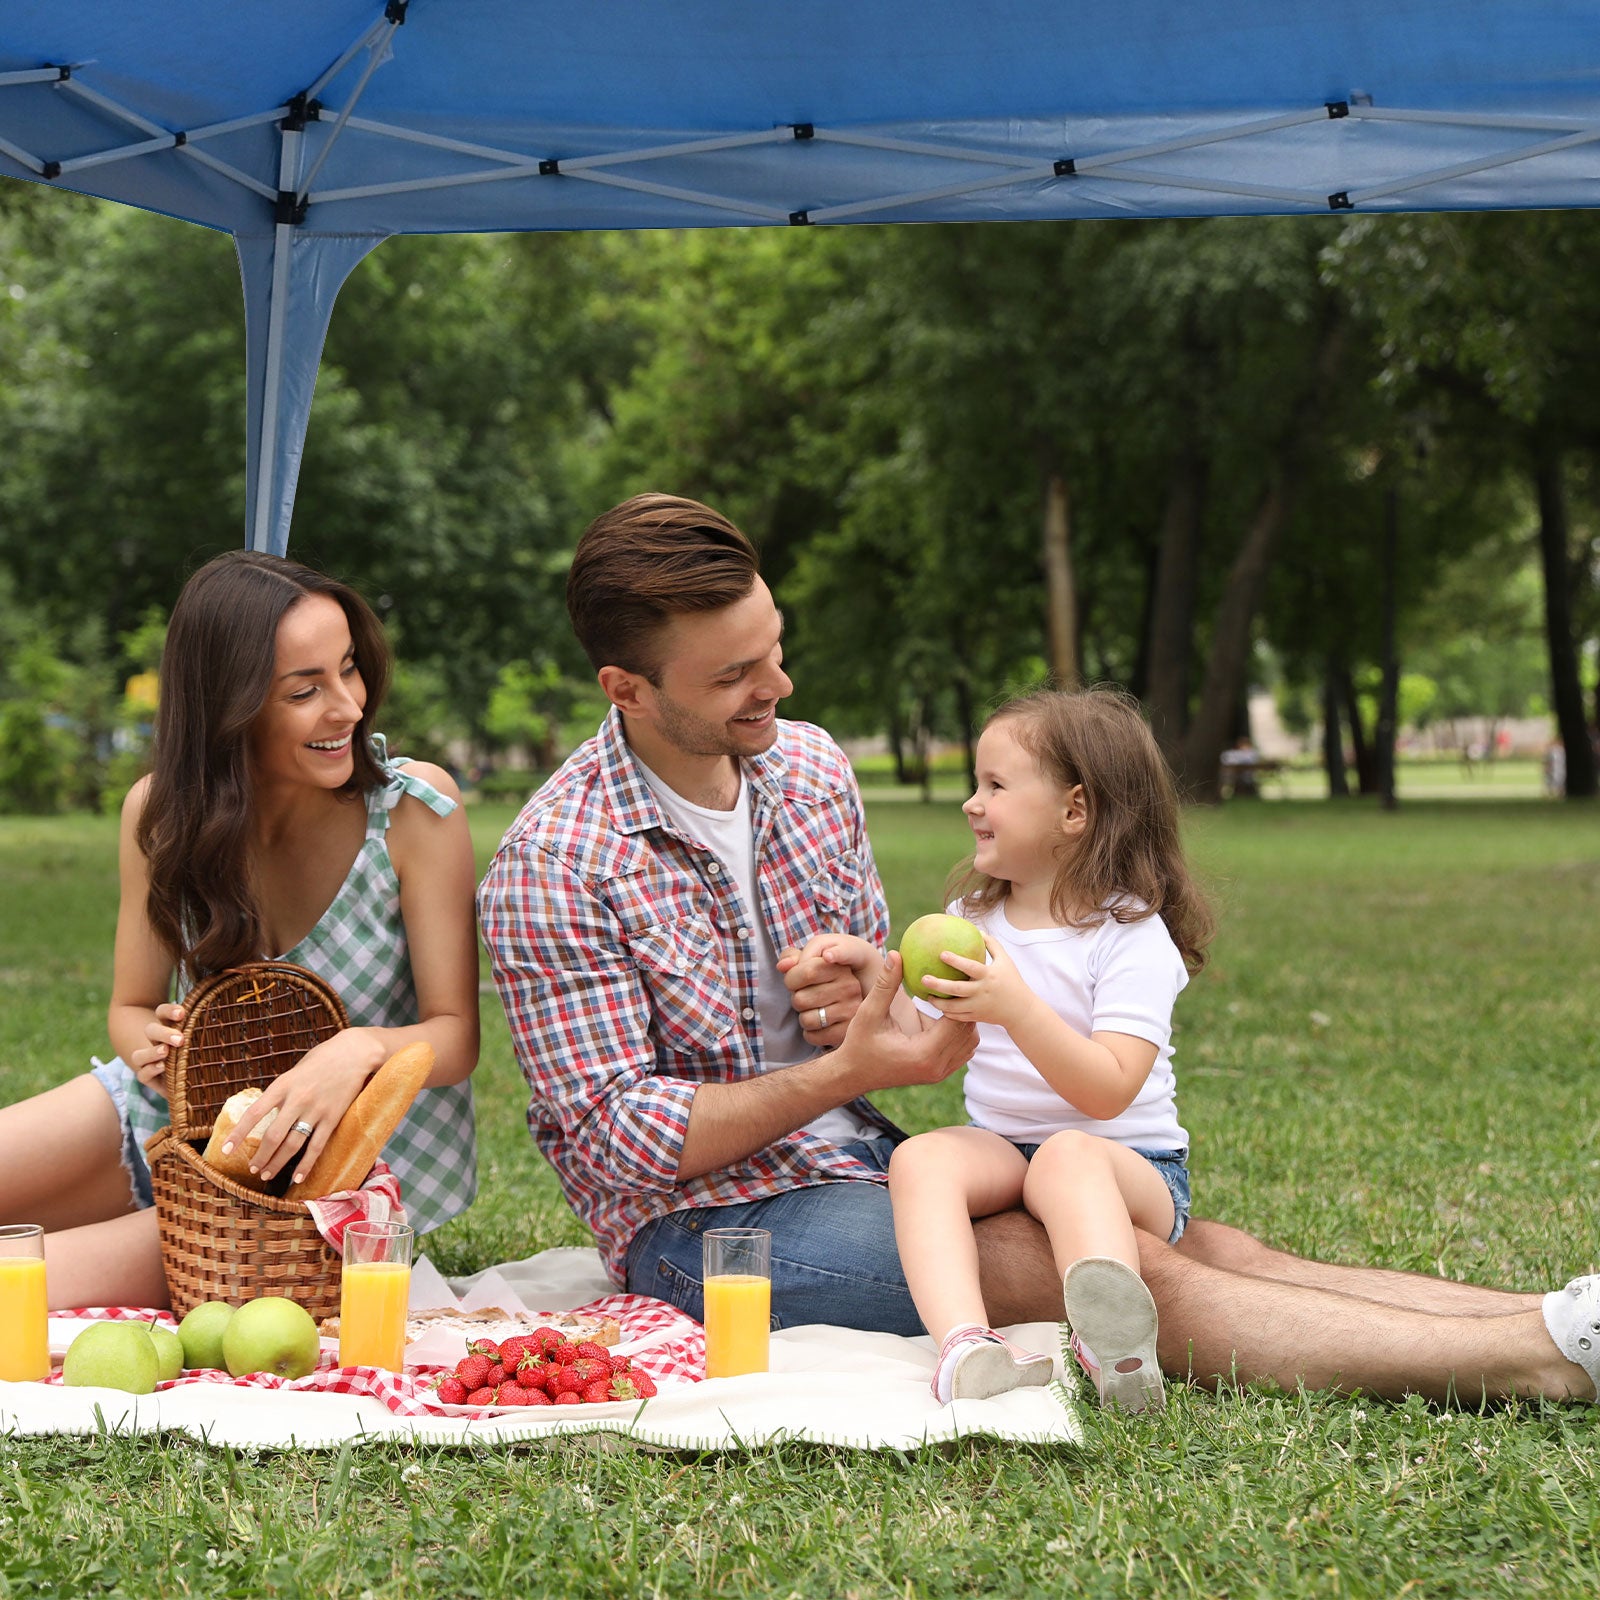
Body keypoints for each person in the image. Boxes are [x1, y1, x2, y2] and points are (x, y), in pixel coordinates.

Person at [479, 491, 1600, 1409]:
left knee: (1212, 1242)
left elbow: (891, 988)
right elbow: (616, 1140)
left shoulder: (809, 768)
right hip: (706, 1228)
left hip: (864, 1156)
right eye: (732, 677)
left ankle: (1549, 1317)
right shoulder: (553, 863)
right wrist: (847, 1069)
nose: (776, 687)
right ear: (624, 689)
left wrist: (872, 990)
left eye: (771, 650)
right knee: (1105, 1266)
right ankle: (1531, 1362)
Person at [0, 551, 481, 1309]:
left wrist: (355, 1050)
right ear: (231, 705)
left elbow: (454, 1039)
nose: (349, 708)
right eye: (305, 689)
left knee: (13, 1287)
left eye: (349, 669)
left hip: (323, 1188)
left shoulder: (416, 812)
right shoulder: (162, 816)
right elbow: (130, 1008)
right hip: (178, 1120)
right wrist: (150, 1048)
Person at [880, 688, 1210, 1410]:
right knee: (922, 1157)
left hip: (1131, 1165)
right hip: (1008, 1151)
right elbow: (912, 1033)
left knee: (1067, 1154)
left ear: (1075, 811)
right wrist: (873, 976)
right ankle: (966, 1345)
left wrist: (1018, 1008)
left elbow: (1108, 1090)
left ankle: (1117, 1354)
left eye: (995, 786)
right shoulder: (973, 919)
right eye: (976, 783)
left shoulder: (1128, 933)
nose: (972, 803)